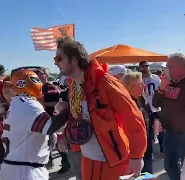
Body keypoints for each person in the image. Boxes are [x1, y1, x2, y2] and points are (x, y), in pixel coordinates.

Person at [54, 37, 147, 180]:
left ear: (74, 60)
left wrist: (137, 155)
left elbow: (133, 116)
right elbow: (77, 116)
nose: (56, 63)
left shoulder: (106, 82)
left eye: (59, 58)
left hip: (113, 160)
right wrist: (65, 135)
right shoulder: (74, 86)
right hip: (88, 158)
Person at [0, 69, 69, 180]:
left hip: (17, 166)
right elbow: (50, 127)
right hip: (25, 170)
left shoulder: (18, 102)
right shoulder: (27, 103)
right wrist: (69, 109)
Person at [152, 53, 185, 180]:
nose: (166, 70)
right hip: (169, 134)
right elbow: (155, 103)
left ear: (180, 67)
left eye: (169, 67)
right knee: (170, 167)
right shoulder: (169, 83)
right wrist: (161, 89)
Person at [121, 72, 153, 174]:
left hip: (146, 145)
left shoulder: (141, 98)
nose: (143, 85)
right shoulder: (126, 104)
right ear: (130, 87)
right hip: (135, 153)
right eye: (140, 84)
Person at [35, 68, 60, 169]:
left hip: (50, 117)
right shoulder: (38, 87)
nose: (37, 75)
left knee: (53, 140)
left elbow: (56, 103)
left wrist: (42, 103)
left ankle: (65, 162)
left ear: (46, 75)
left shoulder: (50, 87)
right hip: (42, 117)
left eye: (39, 73)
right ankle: (48, 160)